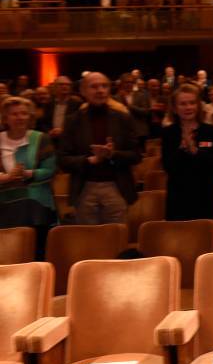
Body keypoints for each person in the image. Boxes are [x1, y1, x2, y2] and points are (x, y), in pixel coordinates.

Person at [58, 72, 141, 225]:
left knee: (117, 241)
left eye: (104, 86)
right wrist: (88, 160)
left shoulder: (123, 118)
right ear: (83, 91)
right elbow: (63, 160)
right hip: (84, 188)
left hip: (117, 187)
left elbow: (136, 155)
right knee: (89, 243)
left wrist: (113, 154)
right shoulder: (72, 121)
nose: (100, 90)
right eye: (94, 86)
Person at [0, 97, 56, 255]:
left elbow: (50, 170)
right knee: (9, 253)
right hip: (4, 205)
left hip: (37, 205)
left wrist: (28, 173)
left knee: (37, 252)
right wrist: (6, 177)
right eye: (14, 114)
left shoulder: (41, 138)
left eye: (24, 113)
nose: (20, 117)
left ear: (30, 117)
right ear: (5, 118)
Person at [162, 84, 213, 222]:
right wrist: (182, 149)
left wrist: (195, 151)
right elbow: (168, 167)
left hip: (207, 197)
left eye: (192, 103)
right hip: (179, 199)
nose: (188, 107)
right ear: (175, 108)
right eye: (183, 104)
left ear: (198, 105)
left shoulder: (210, 131)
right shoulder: (168, 133)